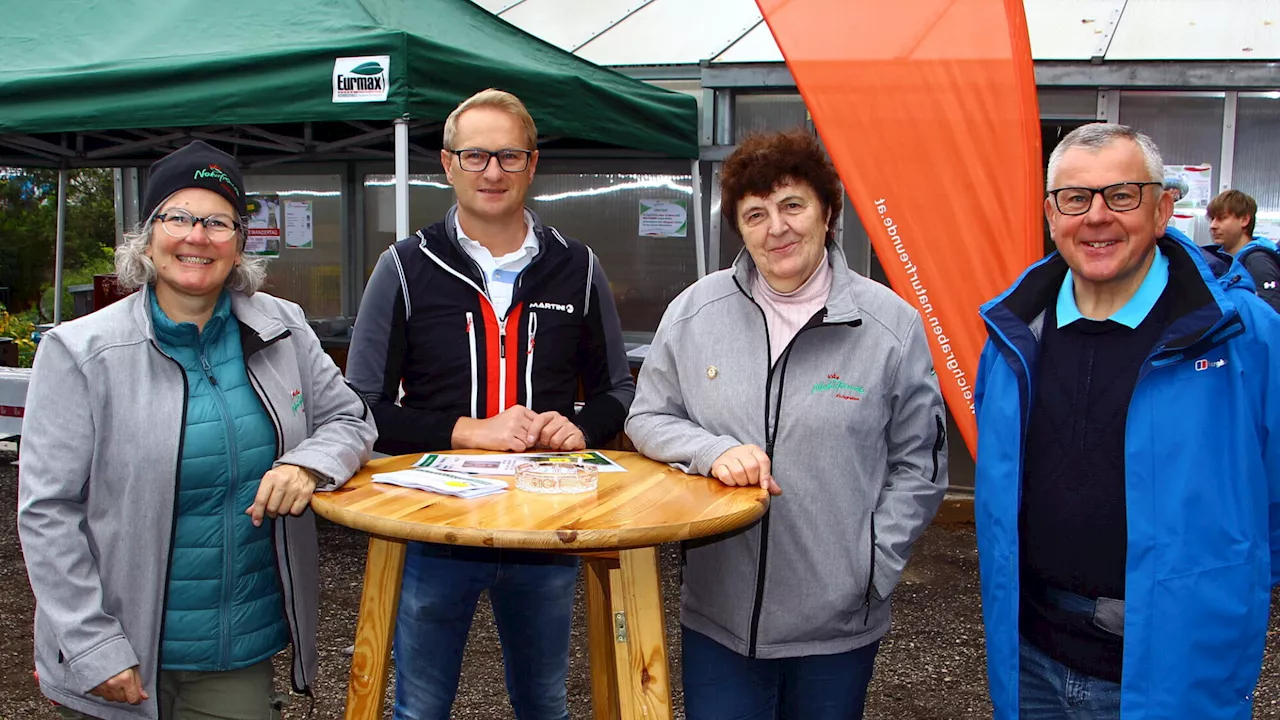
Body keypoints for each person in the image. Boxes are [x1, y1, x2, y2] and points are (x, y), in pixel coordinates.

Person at [17, 140, 377, 720]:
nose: (196, 236)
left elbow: (351, 418)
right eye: (178, 217)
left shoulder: (281, 327)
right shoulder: (81, 351)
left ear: (239, 244)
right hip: (121, 649)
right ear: (148, 236)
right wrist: (92, 645)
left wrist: (306, 463)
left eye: (217, 222)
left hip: (235, 650)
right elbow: (47, 511)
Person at [625, 130, 948, 720]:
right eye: (755, 214)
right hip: (719, 616)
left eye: (792, 205)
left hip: (836, 624)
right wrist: (709, 449)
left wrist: (871, 566)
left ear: (827, 213)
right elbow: (647, 417)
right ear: (741, 230)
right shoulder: (695, 313)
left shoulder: (889, 327)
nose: (776, 228)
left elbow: (919, 465)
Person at [345, 89, 635, 720]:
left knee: (545, 707)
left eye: (508, 155)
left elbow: (620, 390)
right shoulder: (403, 267)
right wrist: (466, 431)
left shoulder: (576, 266)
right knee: (419, 710)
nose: (492, 172)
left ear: (533, 165)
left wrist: (579, 427)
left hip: (543, 527)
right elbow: (360, 407)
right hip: (435, 526)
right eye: (475, 155)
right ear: (447, 164)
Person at [974, 123, 1280, 719]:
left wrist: (1231, 597)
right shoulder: (1013, 338)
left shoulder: (1244, 338)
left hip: (1174, 671)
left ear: (1163, 208)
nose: (1096, 216)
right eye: (1075, 198)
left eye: (1122, 195)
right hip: (1032, 658)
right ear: (1050, 213)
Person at [1208, 188, 1280, 312]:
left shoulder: (1258, 261)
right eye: (1212, 219)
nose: (1213, 226)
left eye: (1221, 218)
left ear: (1244, 220)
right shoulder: (1222, 261)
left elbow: (1270, 318)